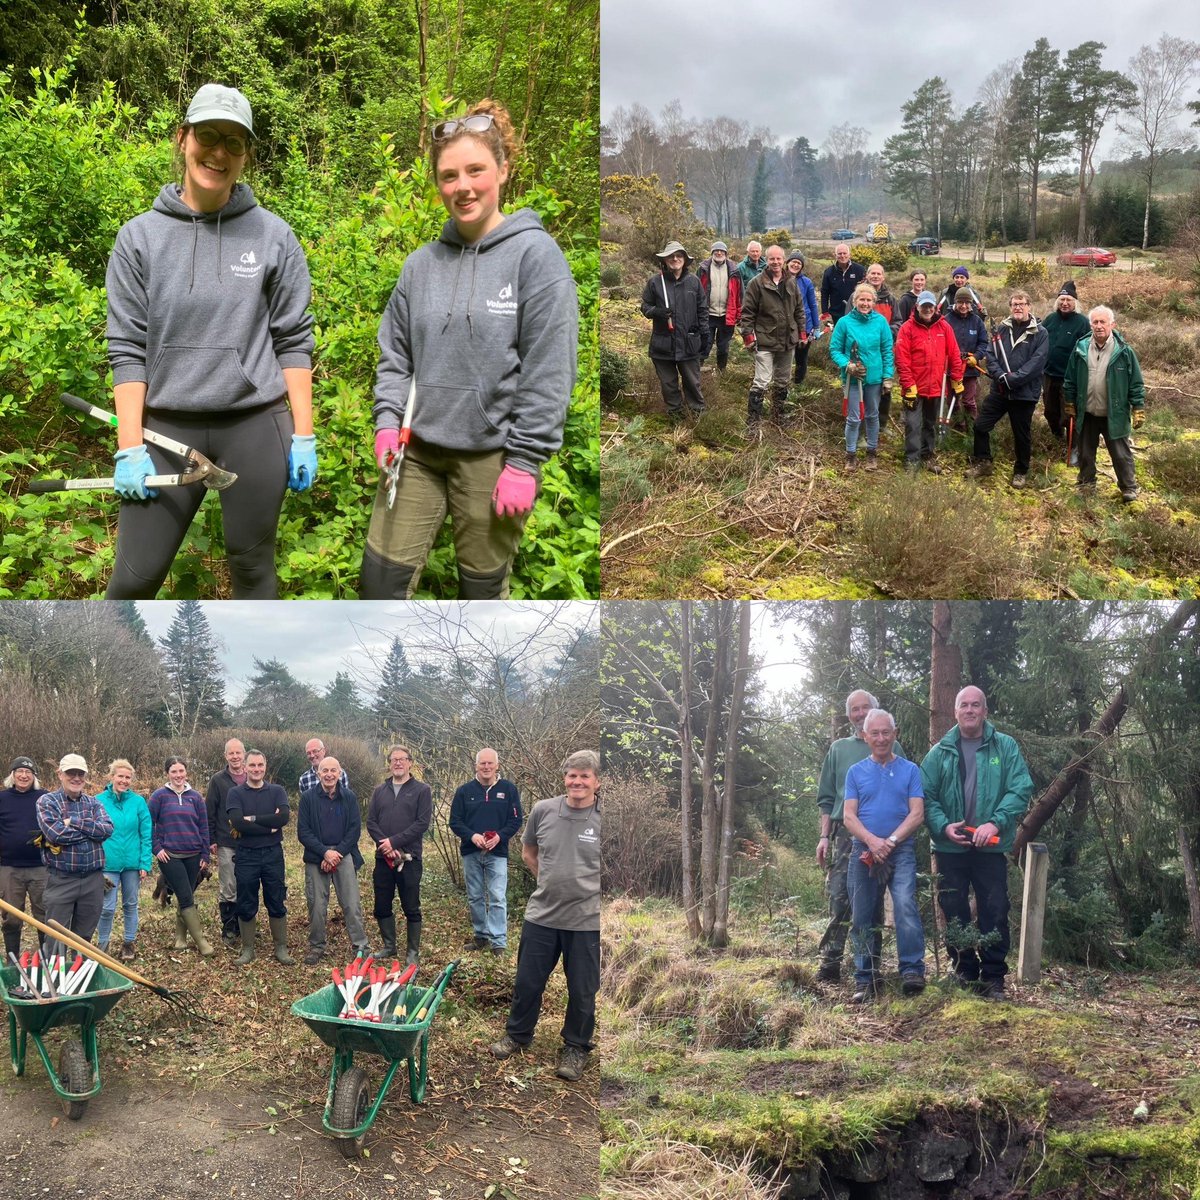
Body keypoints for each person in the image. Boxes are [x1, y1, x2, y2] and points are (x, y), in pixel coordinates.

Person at [104, 83, 315, 599]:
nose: (218, 151)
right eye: (207, 135)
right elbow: (128, 348)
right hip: (165, 430)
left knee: (254, 573)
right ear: (183, 138)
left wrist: (304, 434)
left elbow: (292, 340)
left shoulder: (274, 238)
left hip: (255, 425)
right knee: (134, 580)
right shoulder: (139, 239)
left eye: (234, 142)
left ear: (246, 157)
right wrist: (129, 445)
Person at [363, 100, 578, 599]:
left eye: (475, 170)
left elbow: (549, 371)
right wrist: (386, 422)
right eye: (449, 175)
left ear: (503, 169)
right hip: (415, 453)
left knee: (481, 598)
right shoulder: (420, 266)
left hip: (493, 455)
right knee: (379, 586)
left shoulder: (537, 258)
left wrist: (525, 463)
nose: (462, 187)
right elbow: (396, 354)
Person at [490, 751, 600, 1083]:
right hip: (542, 915)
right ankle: (519, 1035)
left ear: (597, 780)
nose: (577, 782)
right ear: (564, 777)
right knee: (527, 982)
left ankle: (576, 1047)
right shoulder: (544, 810)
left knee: (582, 990)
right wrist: (548, 881)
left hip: (587, 921)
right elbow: (528, 852)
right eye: (572, 775)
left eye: (585, 776)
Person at [921, 686, 1033, 1000]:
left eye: (975, 705)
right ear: (955, 712)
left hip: (991, 847)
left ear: (984, 711)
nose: (970, 710)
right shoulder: (940, 752)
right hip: (950, 847)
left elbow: (1020, 788)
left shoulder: (1005, 747)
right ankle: (965, 972)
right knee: (954, 909)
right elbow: (925, 796)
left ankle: (994, 978)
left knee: (995, 909)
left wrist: (995, 821)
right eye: (964, 705)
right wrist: (943, 826)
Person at [815, 691, 904, 983]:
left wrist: (893, 838)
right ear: (850, 715)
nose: (860, 712)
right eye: (855, 709)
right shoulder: (839, 750)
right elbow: (827, 799)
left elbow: (904, 791)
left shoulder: (893, 746)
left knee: (874, 900)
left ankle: (870, 966)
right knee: (840, 897)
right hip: (844, 833)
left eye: (866, 707)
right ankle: (831, 961)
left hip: (882, 835)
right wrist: (824, 836)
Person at [843, 709, 926, 1003]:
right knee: (862, 914)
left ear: (895, 733)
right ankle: (865, 979)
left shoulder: (910, 770)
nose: (880, 738)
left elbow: (917, 813)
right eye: (874, 733)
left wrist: (889, 841)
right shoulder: (855, 772)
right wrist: (872, 841)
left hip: (900, 850)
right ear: (865, 736)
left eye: (885, 732)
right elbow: (849, 817)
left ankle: (912, 971)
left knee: (904, 904)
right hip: (863, 851)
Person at [1064, 305, 1145, 502]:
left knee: (1120, 454)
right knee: (1085, 453)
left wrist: (1138, 407)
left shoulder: (1125, 352)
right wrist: (1070, 402)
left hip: (1114, 413)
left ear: (1112, 325)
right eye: (1095, 322)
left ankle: (1128, 488)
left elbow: (1136, 382)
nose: (1099, 326)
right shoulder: (1080, 347)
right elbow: (1070, 378)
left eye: (1103, 322)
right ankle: (1086, 484)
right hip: (1087, 412)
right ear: (1090, 324)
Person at [448, 748, 523, 954]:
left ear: (497, 765)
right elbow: (455, 821)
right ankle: (481, 936)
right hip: (471, 852)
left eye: (490, 763)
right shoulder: (464, 791)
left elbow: (516, 820)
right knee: (475, 896)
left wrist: (500, 836)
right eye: (483, 763)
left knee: (497, 896)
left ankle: (498, 941)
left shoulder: (508, 790)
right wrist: (472, 836)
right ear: (476, 765)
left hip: (497, 853)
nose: (487, 767)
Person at [971, 291, 1050, 488]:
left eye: (1022, 304)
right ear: (1010, 307)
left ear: (1029, 306)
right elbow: (991, 355)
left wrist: (1013, 379)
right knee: (980, 425)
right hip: (1000, 391)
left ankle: (1021, 472)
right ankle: (984, 462)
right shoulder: (1002, 330)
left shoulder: (1040, 333)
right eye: (1014, 304)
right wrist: (1000, 376)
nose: (1018, 307)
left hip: (1024, 394)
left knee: (1021, 436)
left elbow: (1037, 363)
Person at [35, 755, 113, 951]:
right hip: (61, 880)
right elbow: (56, 834)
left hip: (93, 881)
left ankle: (79, 978)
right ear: (60, 774)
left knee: (84, 939)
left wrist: (73, 822)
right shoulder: (47, 801)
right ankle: (55, 979)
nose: (76, 778)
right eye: (71, 773)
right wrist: (91, 831)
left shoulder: (94, 803)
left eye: (80, 773)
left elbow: (107, 829)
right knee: (55, 940)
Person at [297, 756, 370, 965]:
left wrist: (336, 853)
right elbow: (303, 832)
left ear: (340, 773)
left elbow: (354, 830)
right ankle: (316, 946)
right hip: (316, 857)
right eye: (324, 770)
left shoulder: (349, 797)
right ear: (318, 773)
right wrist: (324, 853)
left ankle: (361, 945)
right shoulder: (308, 798)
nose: (329, 774)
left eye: (333, 770)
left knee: (351, 902)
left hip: (343, 854)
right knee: (317, 905)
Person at [366, 747, 432, 965]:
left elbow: (421, 824)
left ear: (410, 763)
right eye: (394, 760)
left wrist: (395, 842)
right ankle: (389, 946)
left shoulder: (422, 790)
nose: (398, 763)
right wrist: (385, 845)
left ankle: (413, 951)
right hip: (383, 858)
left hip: (409, 858)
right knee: (382, 904)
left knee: (411, 905)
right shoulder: (379, 791)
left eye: (402, 759)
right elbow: (371, 822)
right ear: (389, 763)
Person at [227, 749, 293, 966]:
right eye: (252, 765)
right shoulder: (235, 793)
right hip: (246, 855)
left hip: (273, 854)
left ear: (265, 767)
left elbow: (283, 817)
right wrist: (269, 825)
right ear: (245, 767)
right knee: (246, 899)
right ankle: (247, 949)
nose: (256, 769)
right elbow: (237, 823)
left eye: (260, 765)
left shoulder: (277, 791)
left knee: (276, 897)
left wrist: (253, 820)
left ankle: (280, 948)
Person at [148, 758, 213, 957]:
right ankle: (201, 941)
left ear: (186, 772)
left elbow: (203, 826)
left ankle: (180, 939)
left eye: (181, 771)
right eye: (174, 771)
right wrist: (156, 847)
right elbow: (147, 824)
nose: (178, 775)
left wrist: (205, 853)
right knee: (185, 896)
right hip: (170, 856)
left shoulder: (195, 797)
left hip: (193, 855)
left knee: (187, 895)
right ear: (167, 773)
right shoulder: (159, 796)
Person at [894, 290, 964, 473]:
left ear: (935, 307)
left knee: (930, 423)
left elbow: (955, 355)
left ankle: (927, 455)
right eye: (923, 306)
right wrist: (908, 385)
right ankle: (912, 459)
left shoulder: (944, 327)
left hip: (937, 387)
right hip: (914, 388)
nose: (927, 309)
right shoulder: (907, 328)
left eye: (930, 306)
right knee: (913, 424)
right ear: (917, 307)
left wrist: (957, 380)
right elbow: (902, 359)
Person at [639, 242, 709, 422]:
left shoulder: (694, 282)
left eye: (679, 255)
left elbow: (702, 310)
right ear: (665, 260)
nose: (675, 259)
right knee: (668, 384)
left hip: (689, 344)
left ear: (685, 260)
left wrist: (705, 336)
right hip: (663, 345)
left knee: (692, 382)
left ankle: (697, 416)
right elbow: (645, 306)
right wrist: (657, 312)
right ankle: (675, 416)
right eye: (671, 256)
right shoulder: (655, 282)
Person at [739, 245, 805, 426]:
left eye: (779, 259)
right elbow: (747, 313)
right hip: (765, 340)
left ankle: (778, 416)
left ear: (784, 260)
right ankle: (753, 421)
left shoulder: (792, 282)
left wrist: (802, 332)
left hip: (787, 341)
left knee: (783, 380)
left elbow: (799, 310)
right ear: (765, 260)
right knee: (761, 381)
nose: (775, 262)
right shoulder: (756, 283)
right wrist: (748, 337)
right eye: (771, 259)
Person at [830, 283, 894, 472]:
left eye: (868, 300)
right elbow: (834, 349)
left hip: (874, 377)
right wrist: (847, 365)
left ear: (874, 302)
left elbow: (887, 350)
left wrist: (888, 376)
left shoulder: (881, 322)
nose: (865, 303)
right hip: (852, 378)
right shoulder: (844, 323)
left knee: (873, 416)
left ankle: (872, 454)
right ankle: (850, 455)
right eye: (861, 300)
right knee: (854, 417)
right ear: (855, 301)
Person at [94, 760, 151, 960]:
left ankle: (129, 943)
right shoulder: (98, 800)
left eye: (128, 777)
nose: (124, 781)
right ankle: (103, 945)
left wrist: (145, 863)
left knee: (130, 904)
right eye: (120, 776)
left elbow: (146, 833)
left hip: (132, 865)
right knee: (107, 907)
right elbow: (92, 833)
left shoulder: (138, 802)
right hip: (107, 864)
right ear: (112, 777)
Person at [0, 757, 48, 962]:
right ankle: (12, 959)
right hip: (9, 868)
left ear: (34, 776)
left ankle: (47, 958)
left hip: (40, 867)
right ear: (12, 775)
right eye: (19, 771)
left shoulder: (44, 798)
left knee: (45, 915)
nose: (23, 775)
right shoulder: (2, 798)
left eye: (28, 772)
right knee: (11, 916)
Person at [1041, 282, 1090, 461]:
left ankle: (1074, 449)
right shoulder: (1050, 319)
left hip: (1069, 377)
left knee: (1069, 414)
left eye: (1069, 299)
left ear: (1075, 302)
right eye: (1062, 299)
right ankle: (1057, 437)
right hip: (1048, 374)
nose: (1065, 303)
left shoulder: (1083, 323)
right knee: (1049, 411)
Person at [206, 737, 247, 948]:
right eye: (231, 753)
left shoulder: (252, 777)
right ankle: (229, 928)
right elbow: (209, 811)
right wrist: (211, 839)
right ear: (225, 756)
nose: (235, 756)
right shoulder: (218, 780)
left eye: (238, 752)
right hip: (225, 840)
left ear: (244, 754)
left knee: (246, 884)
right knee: (229, 885)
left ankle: (245, 926)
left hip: (250, 843)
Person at [944, 288, 990, 429]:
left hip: (970, 369)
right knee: (953, 400)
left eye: (967, 302)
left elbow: (984, 342)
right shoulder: (946, 320)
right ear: (955, 302)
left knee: (969, 401)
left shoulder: (977, 321)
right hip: (952, 369)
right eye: (960, 302)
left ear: (971, 304)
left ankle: (972, 429)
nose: (963, 306)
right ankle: (958, 427)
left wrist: (976, 357)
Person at [696, 241, 735, 371]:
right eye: (716, 251)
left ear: (725, 253)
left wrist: (738, 312)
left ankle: (721, 371)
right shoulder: (703, 269)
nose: (719, 253)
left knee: (723, 346)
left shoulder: (734, 270)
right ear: (712, 253)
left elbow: (738, 292)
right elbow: (696, 290)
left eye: (722, 251)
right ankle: (697, 369)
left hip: (726, 314)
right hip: (708, 314)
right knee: (705, 343)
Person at [785, 251, 820, 387]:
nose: (795, 264)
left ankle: (798, 384)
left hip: (804, 326)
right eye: (793, 261)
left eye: (799, 263)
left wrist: (816, 327)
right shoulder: (779, 279)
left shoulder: (806, 282)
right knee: (785, 357)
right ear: (787, 263)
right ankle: (783, 383)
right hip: (786, 325)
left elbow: (812, 305)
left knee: (801, 357)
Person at [820, 243, 866, 328]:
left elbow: (867, 291)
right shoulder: (829, 272)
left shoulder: (860, 270)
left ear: (849, 255)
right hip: (836, 314)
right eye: (839, 253)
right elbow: (824, 293)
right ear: (835, 255)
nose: (842, 256)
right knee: (839, 340)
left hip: (856, 313)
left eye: (845, 253)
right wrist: (825, 312)